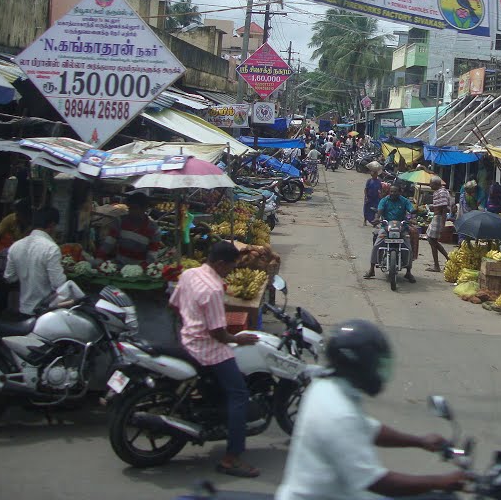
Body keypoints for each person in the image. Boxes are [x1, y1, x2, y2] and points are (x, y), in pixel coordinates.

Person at [276, 319, 467, 500]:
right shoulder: (339, 414)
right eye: (375, 365)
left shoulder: (327, 387)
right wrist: (440, 481)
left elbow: (369, 429)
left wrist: (420, 441)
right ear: (360, 365)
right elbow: (377, 481)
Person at [169, 239, 260, 477]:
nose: (231, 271)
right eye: (231, 266)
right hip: (207, 348)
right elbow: (218, 333)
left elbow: (175, 305)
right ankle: (232, 458)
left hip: (186, 340)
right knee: (240, 394)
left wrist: (191, 323)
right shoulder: (213, 288)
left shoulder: (189, 274)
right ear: (220, 264)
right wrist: (239, 339)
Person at [4, 207, 67, 318]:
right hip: (44, 313)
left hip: (23, 309)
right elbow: (59, 284)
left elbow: (9, 277)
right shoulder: (51, 248)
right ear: (52, 225)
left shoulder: (15, 246)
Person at [365, 184, 416, 282]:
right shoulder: (384, 200)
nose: (393, 193)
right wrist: (376, 218)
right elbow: (379, 211)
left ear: (399, 192)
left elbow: (411, 210)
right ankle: (371, 269)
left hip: (401, 228)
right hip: (386, 228)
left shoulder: (404, 201)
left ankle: (408, 272)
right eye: (391, 191)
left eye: (395, 191)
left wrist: (413, 216)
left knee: (408, 247)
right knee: (377, 245)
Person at [101, 192, 162, 263]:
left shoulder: (154, 229)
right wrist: (99, 259)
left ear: (144, 209)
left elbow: (152, 257)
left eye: (135, 208)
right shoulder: (120, 221)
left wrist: (141, 269)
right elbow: (108, 244)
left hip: (140, 270)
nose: (132, 211)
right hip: (118, 264)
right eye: (130, 208)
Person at [424, 177, 451, 272]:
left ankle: (442, 262)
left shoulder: (442, 192)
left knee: (432, 240)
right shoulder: (438, 192)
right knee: (432, 240)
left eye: (431, 184)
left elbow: (444, 209)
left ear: (436, 184)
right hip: (437, 217)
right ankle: (445, 261)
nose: (430, 185)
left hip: (439, 218)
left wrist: (443, 224)